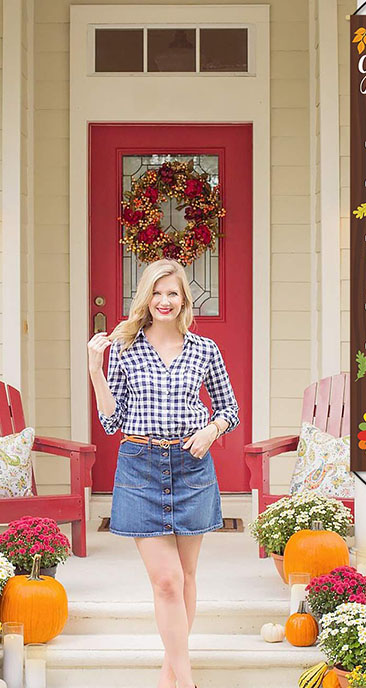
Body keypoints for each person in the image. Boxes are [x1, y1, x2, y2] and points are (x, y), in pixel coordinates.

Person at [87, 258, 239, 688]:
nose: (164, 301)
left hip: (192, 467)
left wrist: (211, 430)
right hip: (140, 467)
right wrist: (96, 372)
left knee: (187, 576)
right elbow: (111, 421)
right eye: (156, 292)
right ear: (145, 299)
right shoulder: (125, 348)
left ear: (184, 299)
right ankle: (186, 682)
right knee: (168, 580)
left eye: (172, 293)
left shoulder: (204, 350)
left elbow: (230, 409)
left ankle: (169, 675)